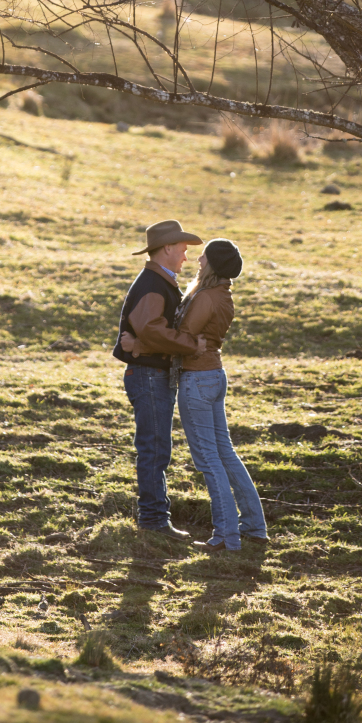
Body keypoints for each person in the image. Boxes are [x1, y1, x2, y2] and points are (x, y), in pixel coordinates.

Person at [121, 237, 267, 554]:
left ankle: (226, 536)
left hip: (197, 379)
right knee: (225, 454)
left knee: (208, 460)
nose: (197, 260)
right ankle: (255, 527)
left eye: (203, 257)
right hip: (214, 376)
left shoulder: (204, 298)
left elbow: (183, 341)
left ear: (212, 264)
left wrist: (137, 345)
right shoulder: (222, 295)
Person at [113, 218, 206, 543]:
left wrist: (140, 345)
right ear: (167, 248)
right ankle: (153, 521)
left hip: (151, 374)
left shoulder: (157, 281)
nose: (185, 257)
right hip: (149, 376)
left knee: (156, 448)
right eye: (182, 249)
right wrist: (191, 345)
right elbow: (152, 329)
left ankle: (154, 518)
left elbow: (148, 333)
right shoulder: (153, 284)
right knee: (154, 449)